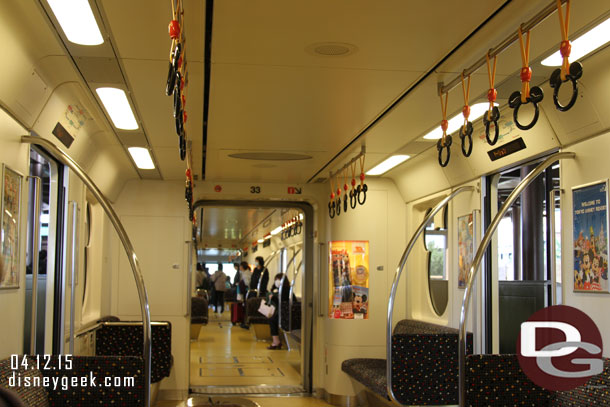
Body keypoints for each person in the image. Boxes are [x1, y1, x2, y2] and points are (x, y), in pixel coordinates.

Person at [266, 273, 291, 350]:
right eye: (276, 280)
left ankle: (276, 342)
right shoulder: (278, 289)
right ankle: (276, 341)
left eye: (278, 279)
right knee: (272, 318)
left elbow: (282, 302)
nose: (276, 281)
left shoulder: (286, 290)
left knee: (272, 319)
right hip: (282, 311)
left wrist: (273, 298)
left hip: (286, 312)